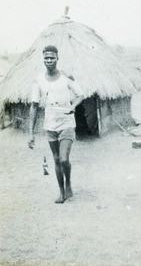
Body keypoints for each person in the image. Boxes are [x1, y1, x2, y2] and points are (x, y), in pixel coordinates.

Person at [28, 45, 84, 204]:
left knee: (64, 159)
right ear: (43, 59)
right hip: (50, 126)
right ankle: (61, 192)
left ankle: (69, 183)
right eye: (46, 58)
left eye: (52, 57)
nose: (49, 60)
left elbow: (80, 95)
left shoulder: (66, 78)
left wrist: (72, 107)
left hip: (66, 123)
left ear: (57, 58)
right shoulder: (38, 80)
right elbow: (34, 106)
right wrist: (31, 133)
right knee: (56, 159)